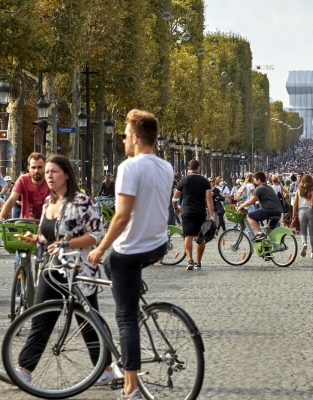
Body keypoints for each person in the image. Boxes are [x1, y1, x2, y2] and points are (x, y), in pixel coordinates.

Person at [0, 154, 112, 386]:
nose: (48, 176)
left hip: (79, 270)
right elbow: (47, 238)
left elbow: (97, 235)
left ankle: (106, 368)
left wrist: (67, 243)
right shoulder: (49, 204)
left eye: (54, 172)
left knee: (89, 322)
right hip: (51, 269)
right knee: (40, 318)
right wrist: (35, 238)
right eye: (47, 172)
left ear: (66, 174)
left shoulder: (82, 201)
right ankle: (24, 370)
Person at [88, 109, 173, 400]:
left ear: (135, 138)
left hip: (133, 250)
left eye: (125, 134)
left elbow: (122, 217)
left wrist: (100, 247)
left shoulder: (129, 167)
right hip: (158, 245)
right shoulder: (166, 166)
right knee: (121, 278)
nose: (122, 139)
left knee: (124, 318)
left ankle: (131, 386)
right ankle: (133, 297)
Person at [173, 160, 214, 270]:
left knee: (188, 236)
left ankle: (190, 261)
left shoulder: (183, 181)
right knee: (201, 237)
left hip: (187, 211)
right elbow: (209, 199)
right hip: (200, 211)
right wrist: (211, 215)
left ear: (188, 168)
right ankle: (198, 262)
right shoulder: (205, 181)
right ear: (198, 168)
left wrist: (175, 207)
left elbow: (175, 197)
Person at [236, 171, 283, 244]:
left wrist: (241, 206)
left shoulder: (259, 188)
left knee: (249, 216)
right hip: (278, 211)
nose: (254, 181)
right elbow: (269, 198)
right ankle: (268, 253)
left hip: (268, 210)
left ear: (259, 180)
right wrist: (258, 202)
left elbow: (250, 201)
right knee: (269, 232)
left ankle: (259, 233)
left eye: (255, 179)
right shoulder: (270, 188)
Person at [293, 174, 313, 259]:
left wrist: (293, 214)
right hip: (310, 210)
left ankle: (304, 243)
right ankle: (312, 252)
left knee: (303, 232)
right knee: (312, 233)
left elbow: (295, 203)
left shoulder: (298, 190)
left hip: (301, 211)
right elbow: (312, 203)